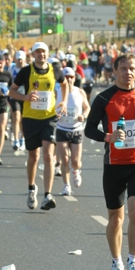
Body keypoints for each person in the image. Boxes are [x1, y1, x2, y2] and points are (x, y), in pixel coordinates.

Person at [85, 53, 135, 270]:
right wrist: (108, 137)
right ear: (115, 71)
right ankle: (116, 263)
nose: (128, 73)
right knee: (116, 218)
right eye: (123, 68)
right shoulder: (104, 98)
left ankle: (133, 260)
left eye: (132, 68)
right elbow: (89, 129)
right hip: (114, 165)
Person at [8, 41, 68, 211]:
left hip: (49, 118)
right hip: (30, 118)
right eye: (38, 52)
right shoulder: (26, 71)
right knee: (34, 157)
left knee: (49, 155)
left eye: (44, 52)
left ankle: (48, 194)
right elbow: (11, 91)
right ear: (33, 55)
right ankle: (31, 188)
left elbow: (65, 84)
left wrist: (63, 101)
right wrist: (25, 97)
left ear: (47, 54)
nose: (41, 55)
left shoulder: (54, 68)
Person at [55, 67, 90, 196]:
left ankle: (76, 171)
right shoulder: (57, 92)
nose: (69, 79)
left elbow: (87, 107)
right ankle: (66, 186)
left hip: (76, 129)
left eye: (71, 77)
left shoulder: (80, 92)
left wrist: (84, 116)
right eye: (66, 77)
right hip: (62, 128)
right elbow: (51, 108)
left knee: (75, 161)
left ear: (75, 78)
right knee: (64, 159)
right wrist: (55, 115)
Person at [9, 51, 26, 151]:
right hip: (14, 96)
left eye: (21, 59)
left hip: (25, 96)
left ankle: (22, 139)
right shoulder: (12, 68)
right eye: (18, 59)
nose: (19, 62)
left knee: (23, 120)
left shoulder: (28, 68)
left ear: (24, 59)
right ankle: (15, 139)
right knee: (16, 117)